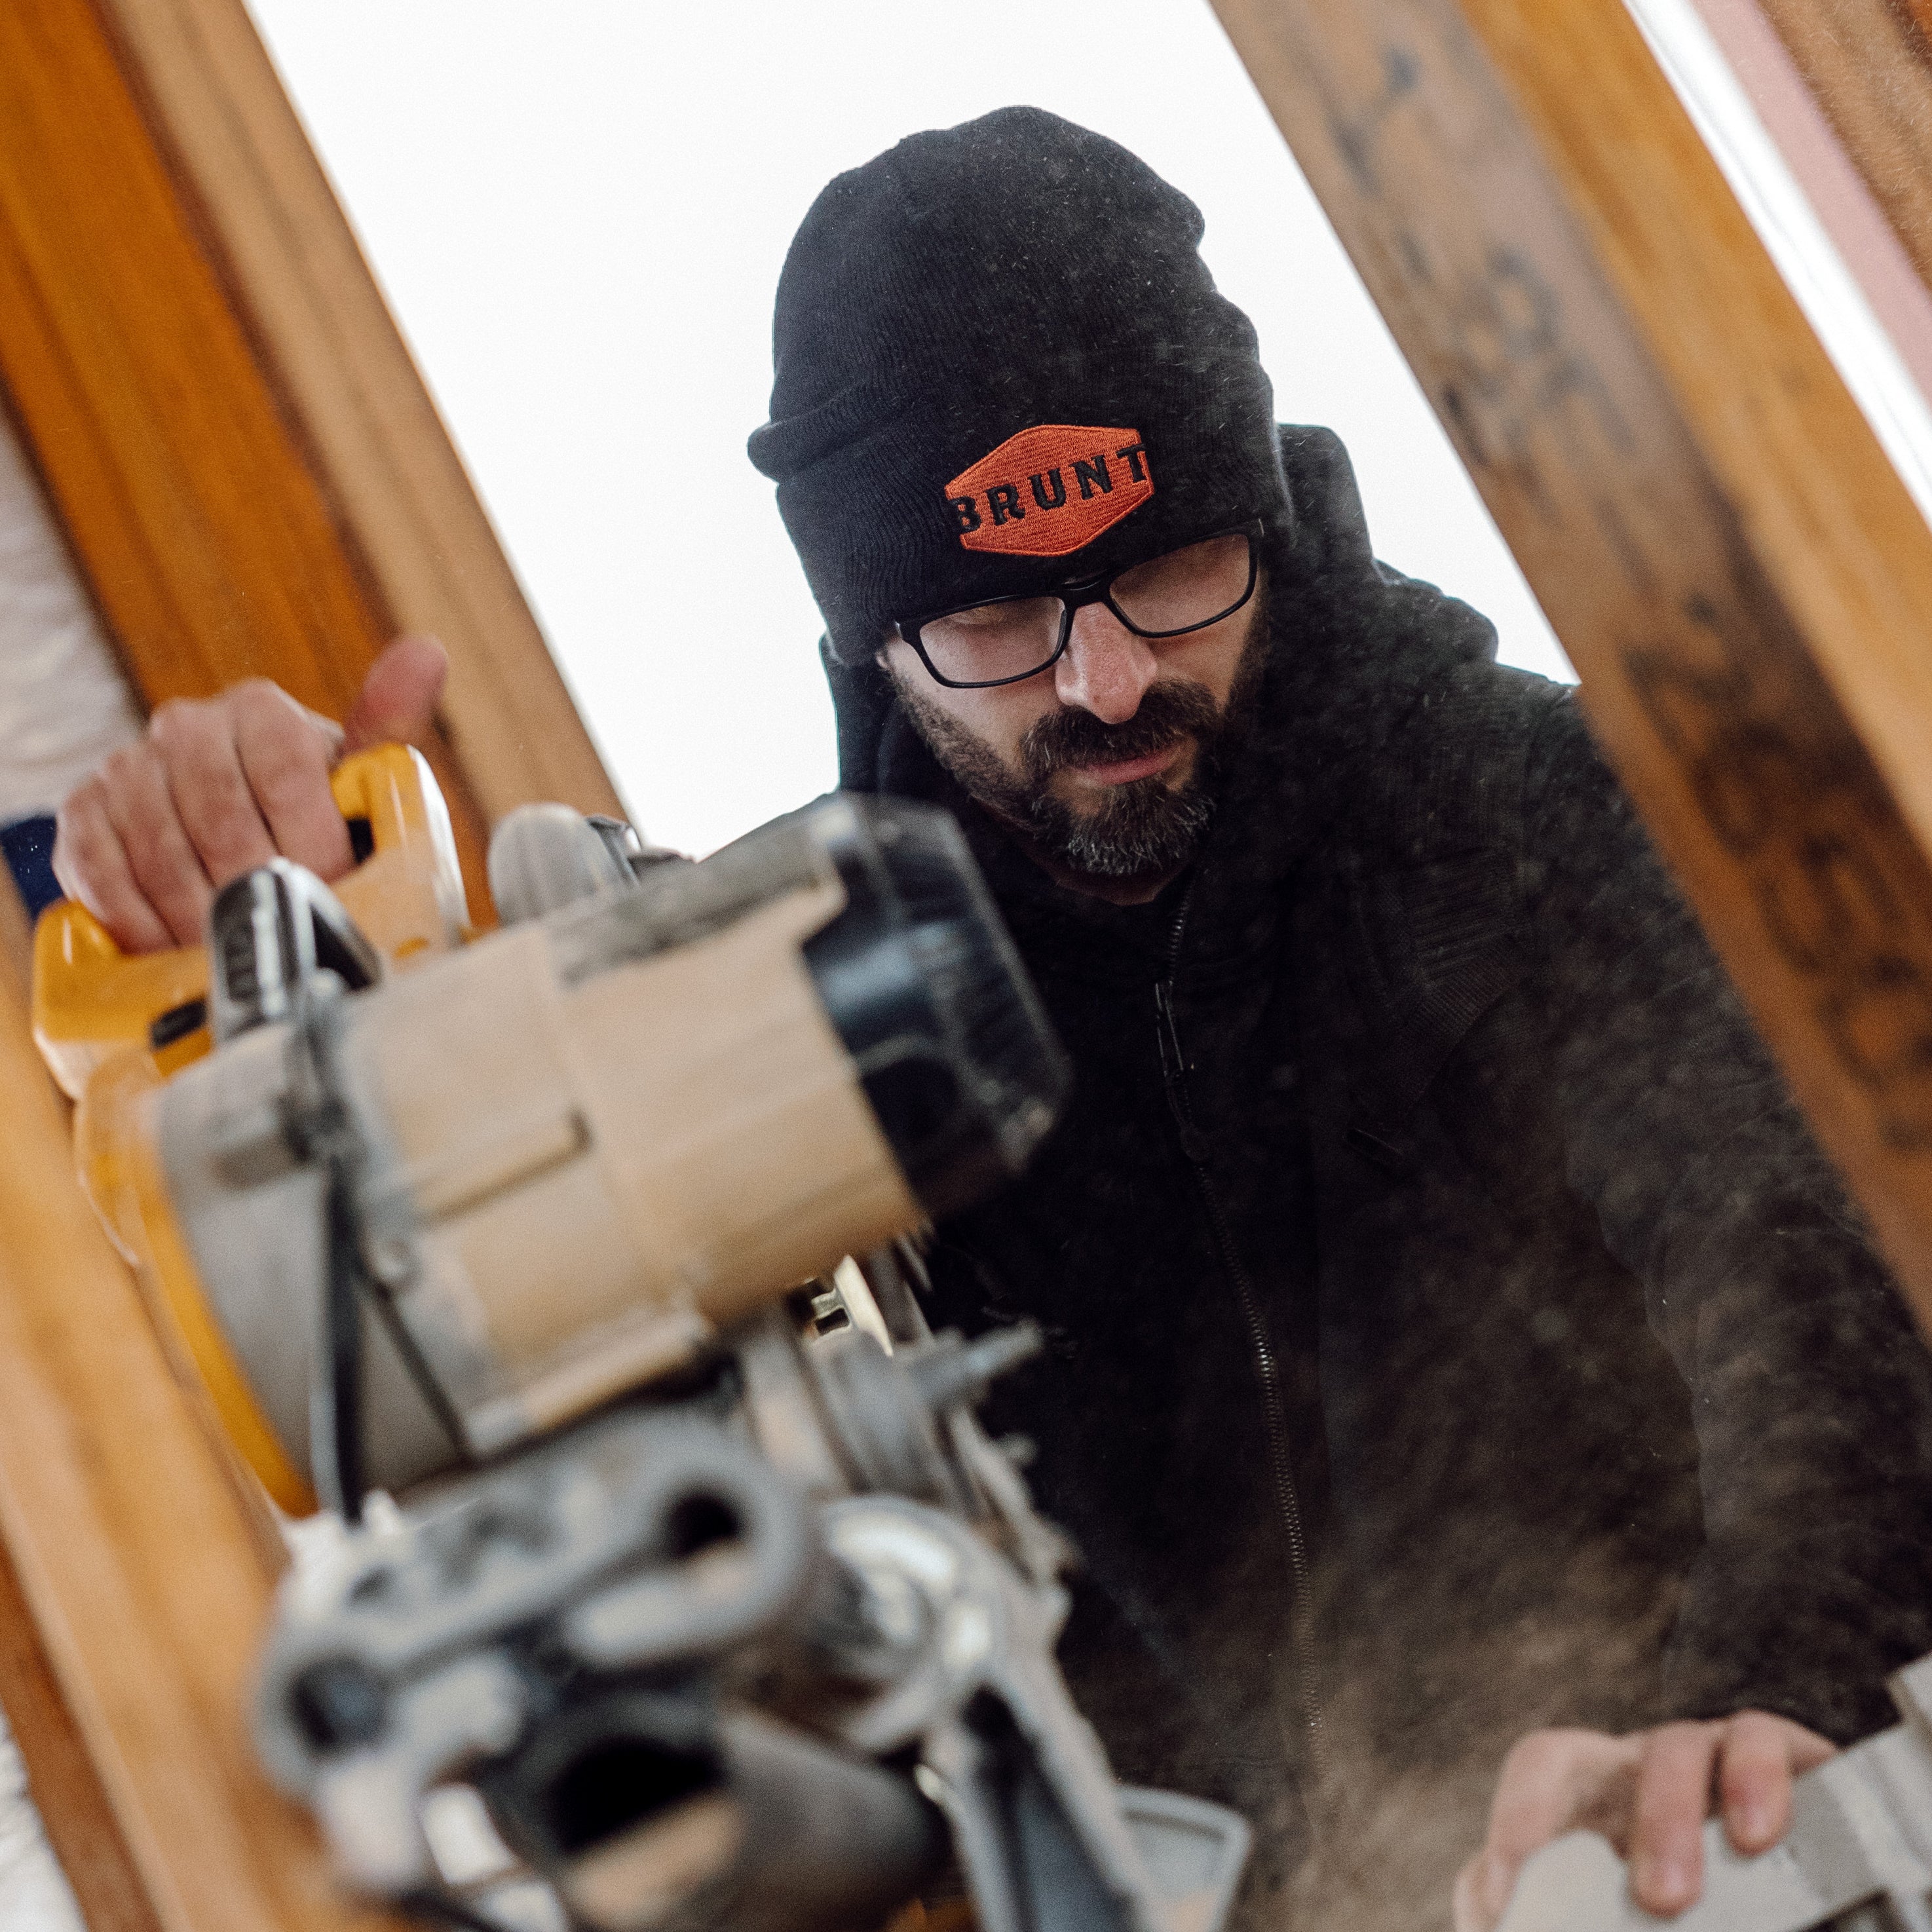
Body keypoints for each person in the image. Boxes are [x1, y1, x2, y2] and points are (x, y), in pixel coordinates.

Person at [52, 109, 1932, 1930]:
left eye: (1169, 568)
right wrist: (271, 949)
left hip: (1718, 1848)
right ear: (870, 641)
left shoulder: (1546, 811)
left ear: (1265, 513)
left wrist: (1772, 1689)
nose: (1106, 679)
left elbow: (1812, 1273)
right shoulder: (790, 1023)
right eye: (995, 621)